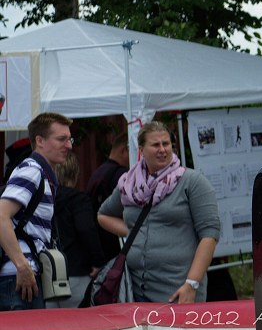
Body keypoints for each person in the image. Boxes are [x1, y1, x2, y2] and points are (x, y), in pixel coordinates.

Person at [98, 121, 220, 303]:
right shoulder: (130, 184)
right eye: (155, 145)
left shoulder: (192, 182)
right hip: (136, 292)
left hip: (178, 291)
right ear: (141, 150)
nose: (162, 149)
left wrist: (192, 283)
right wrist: (133, 231)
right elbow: (103, 215)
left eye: (166, 143)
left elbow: (209, 235)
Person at [0, 112, 73, 310]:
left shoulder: (39, 172)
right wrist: (22, 266)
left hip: (21, 277)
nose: (69, 146)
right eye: (61, 139)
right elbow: (1, 216)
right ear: (39, 141)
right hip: (17, 279)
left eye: (70, 139)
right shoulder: (32, 170)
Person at [49, 152, 106, 308]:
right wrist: (98, 261)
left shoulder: (42, 199)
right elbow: (86, 229)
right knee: (79, 327)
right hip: (76, 272)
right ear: (75, 173)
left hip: (47, 275)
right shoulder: (79, 200)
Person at [86, 132, 130, 262]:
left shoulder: (98, 172)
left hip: (98, 241)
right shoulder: (121, 175)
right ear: (123, 150)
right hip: (114, 243)